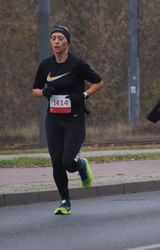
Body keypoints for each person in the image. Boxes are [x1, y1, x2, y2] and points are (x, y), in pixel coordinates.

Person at [32, 26, 104, 214]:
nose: (56, 42)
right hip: (53, 119)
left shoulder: (77, 64)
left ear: (67, 42)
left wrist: (85, 95)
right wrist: (44, 92)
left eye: (60, 38)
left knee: (68, 162)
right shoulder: (46, 65)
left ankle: (81, 165)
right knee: (57, 162)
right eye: (53, 38)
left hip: (74, 119)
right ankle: (65, 202)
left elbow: (98, 81)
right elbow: (35, 91)